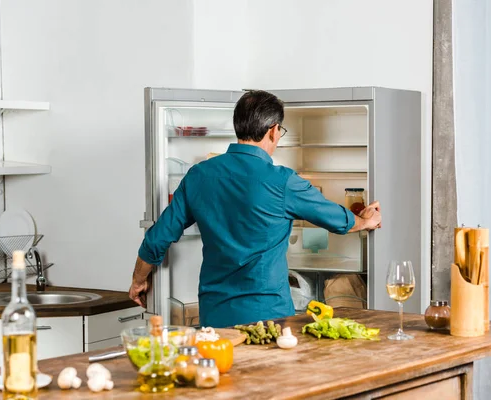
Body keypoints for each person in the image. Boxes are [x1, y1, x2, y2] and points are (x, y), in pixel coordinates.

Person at [129, 90, 382, 327]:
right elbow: (337, 219)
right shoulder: (282, 181)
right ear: (273, 131)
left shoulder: (199, 175)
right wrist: (365, 221)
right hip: (267, 316)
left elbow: (157, 238)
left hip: (215, 314)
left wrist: (138, 281)